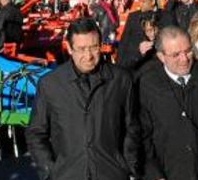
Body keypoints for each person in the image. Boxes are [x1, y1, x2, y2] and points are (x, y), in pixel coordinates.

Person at [26, 18, 141, 180]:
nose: (88, 56)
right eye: (81, 49)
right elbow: (36, 133)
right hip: (67, 175)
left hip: (111, 173)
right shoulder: (50, 84)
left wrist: (128, 166)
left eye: (94, 48)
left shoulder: (121, 80)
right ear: (69, 48)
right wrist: (50, 171)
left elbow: (132, 127)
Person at [138, 26, 198, 180]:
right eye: (176, 55)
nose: (184, 59)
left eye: (188, 51)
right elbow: (142, 135)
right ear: (161, 56)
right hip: (170, 173)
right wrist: (154, 174)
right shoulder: (147, 85)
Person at [118, 0, 161, 72]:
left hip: (158, 65)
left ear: (153, 2)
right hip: (136, 64)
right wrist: (120, 61)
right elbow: (124, 40)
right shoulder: (133, 17)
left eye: (143, 1)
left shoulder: (165, 16)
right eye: (139, 1)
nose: (140, 4)